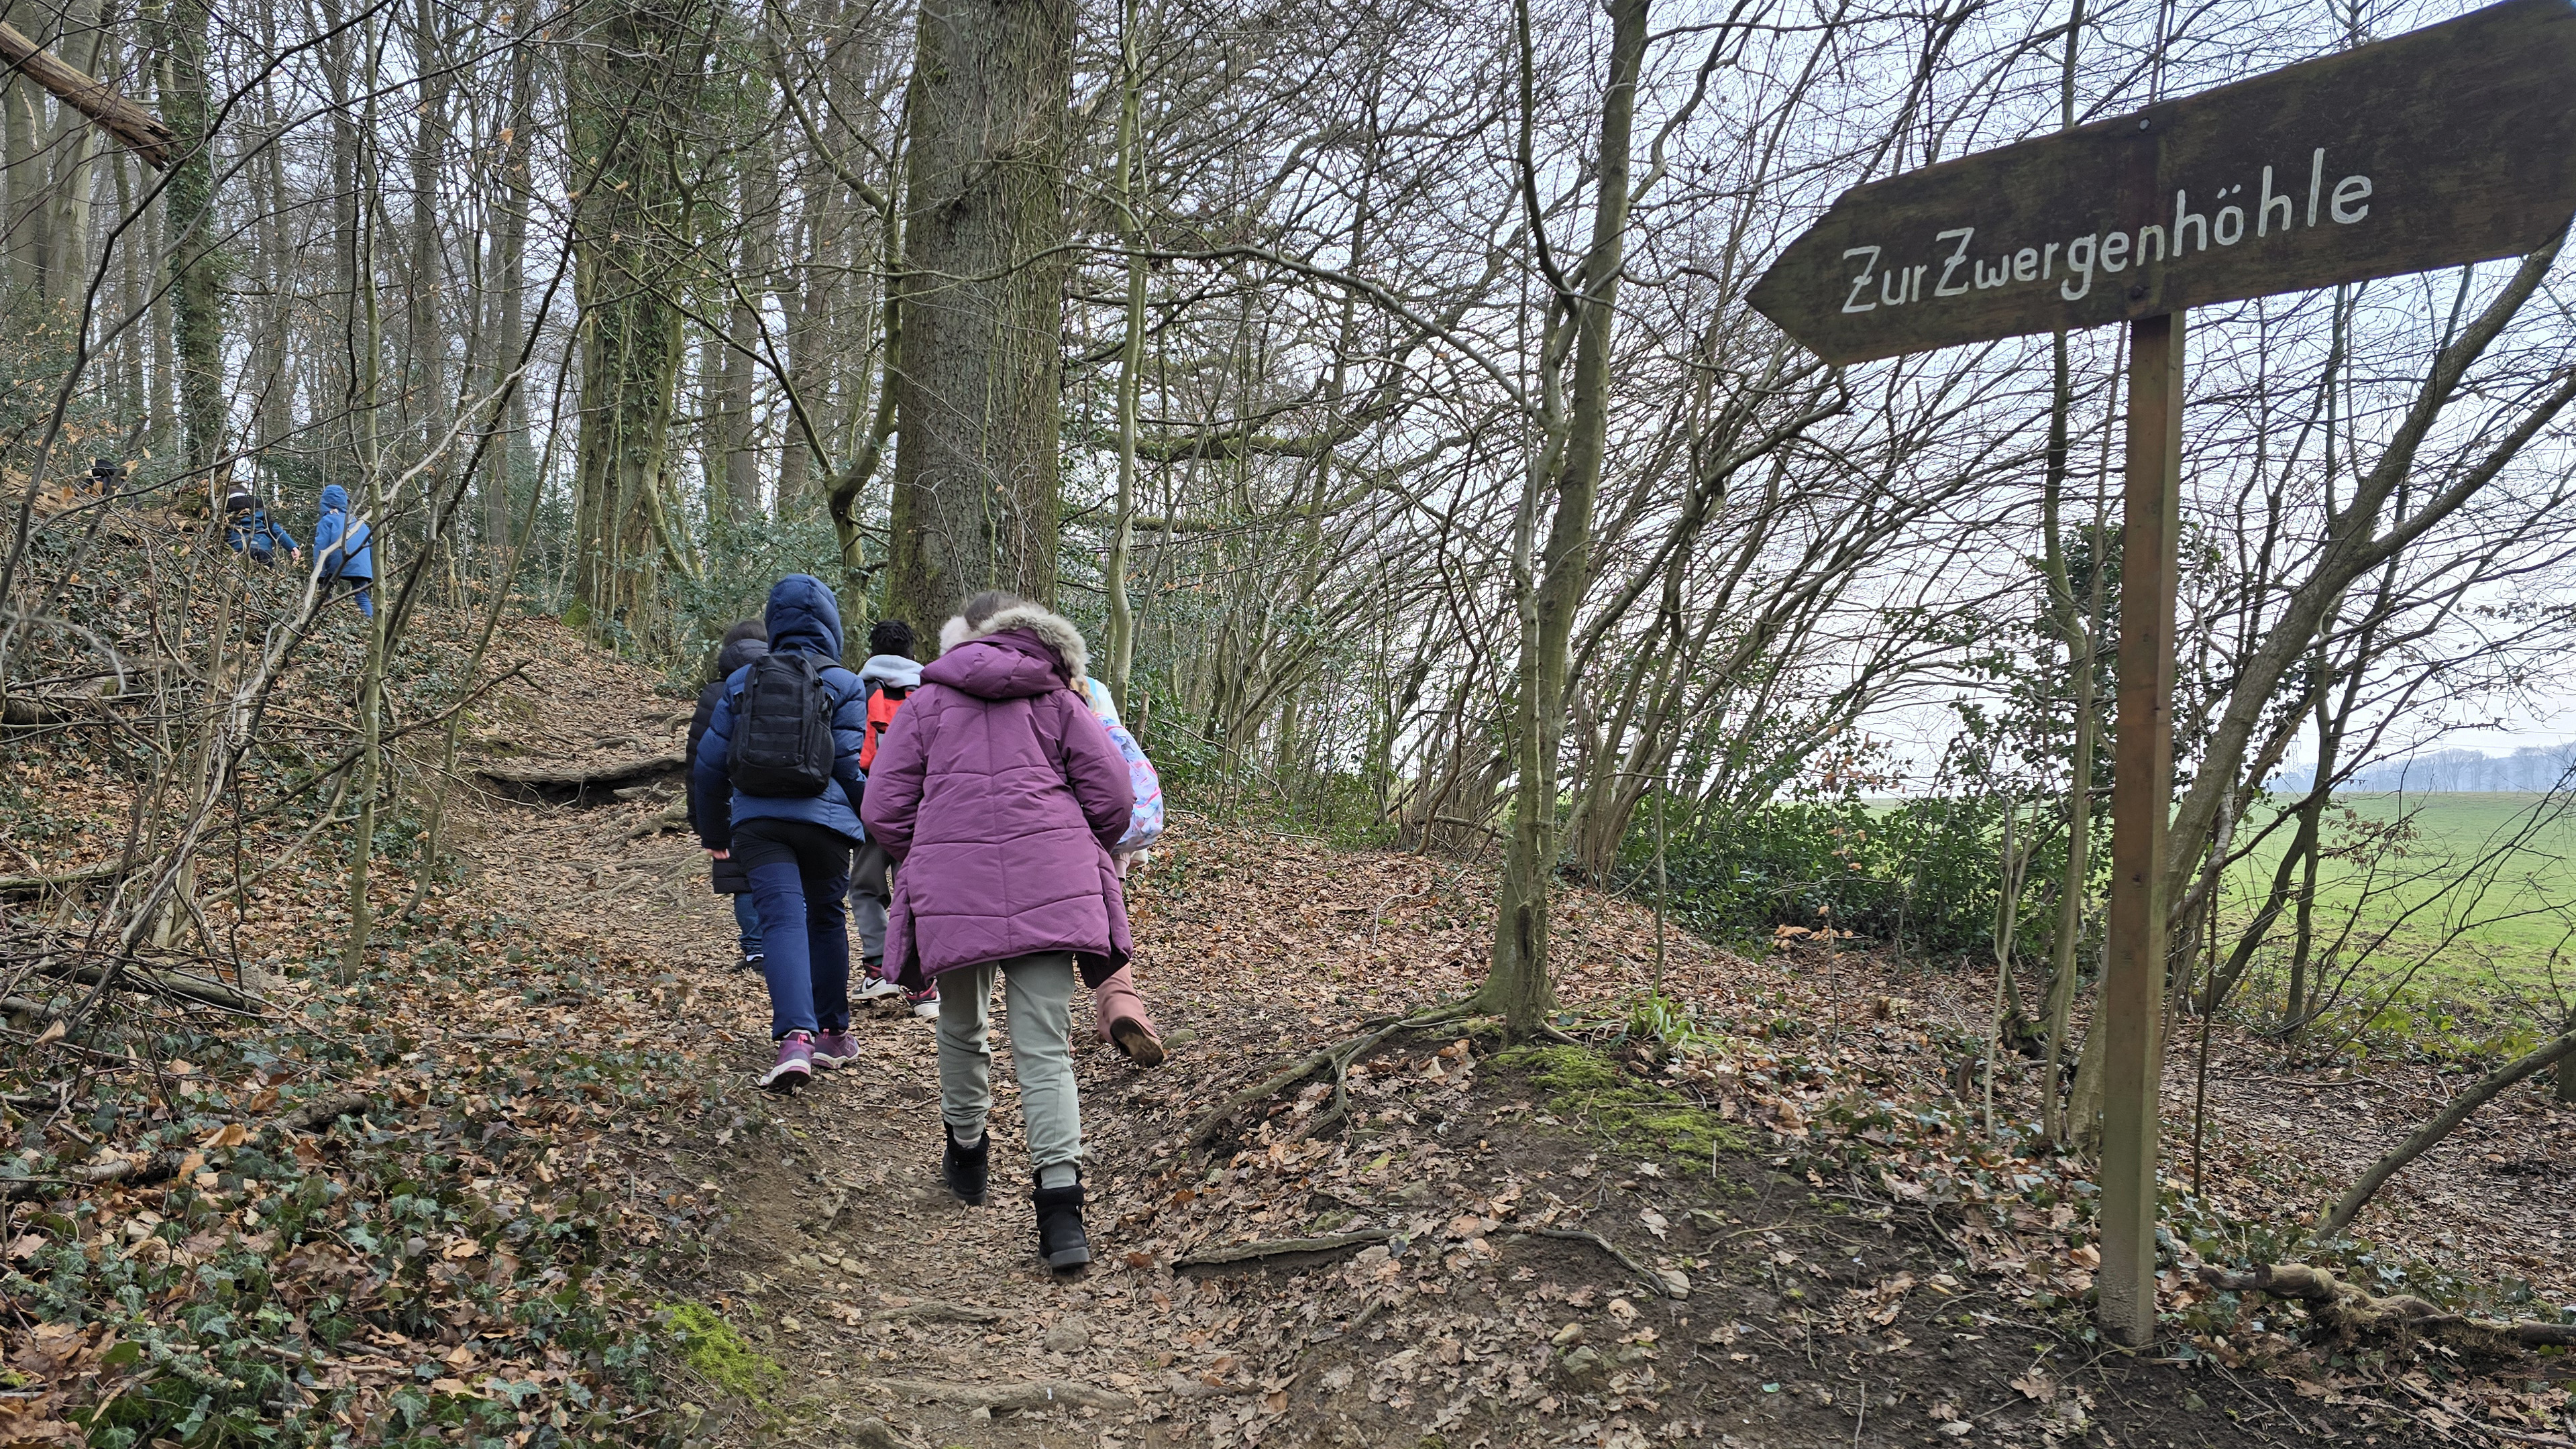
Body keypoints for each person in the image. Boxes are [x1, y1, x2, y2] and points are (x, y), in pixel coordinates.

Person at [863, 591, 1133, 1271]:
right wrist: (1066, 842)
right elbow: (1115, 800)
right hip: (1050, 886)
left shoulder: (927, 702)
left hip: (954, 886)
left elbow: (883, 808)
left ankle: (967, 1156)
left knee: (960, 1025)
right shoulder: (1060, 700)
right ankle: (1061, 1213)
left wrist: (931, 848)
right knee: (1044, 1049)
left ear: (967, 638)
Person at [691, 576, 871, 1092]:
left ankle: (795, 1038)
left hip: (758, 824)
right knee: (825, 919)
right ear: (831, 624)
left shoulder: (744, 679)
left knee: (781, 922)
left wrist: (715, 830)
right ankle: (834, 1034)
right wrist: (872, 819)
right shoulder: (845, 682)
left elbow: (709, 766)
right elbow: (844, 764)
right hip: (827, 826)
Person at [1080, 675, 1169, 1067]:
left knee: (1045, 950)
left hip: (1051, 850)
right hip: (1108, 849)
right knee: (1106, 931)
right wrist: (1135, 853)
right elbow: (1127, 784)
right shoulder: (1097, 699)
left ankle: (1051, 1038)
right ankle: (1121, 1009)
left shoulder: (1032, 712)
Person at [849, 619, 924, 1012]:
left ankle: (877, 970)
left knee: (864, 886)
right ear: (912, 651)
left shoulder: (856, 690)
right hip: (919, 809)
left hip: (870, 805)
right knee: (915, 890)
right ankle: (923, 985)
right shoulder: (930, 691)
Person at [688, 621, 769, 973]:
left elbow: (700, 762)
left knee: (742, 876)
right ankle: (792, 945)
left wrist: (705, 823)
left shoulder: (716, 692)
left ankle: (756, 951)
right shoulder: (790, 680)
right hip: (790, 793)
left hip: (734, 798)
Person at [310, 484, 376, 618]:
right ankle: (370, 623)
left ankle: (322, 618)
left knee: (325, 591)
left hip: (337, 560)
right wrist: (370, 572)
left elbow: (320, 545)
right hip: (362, 565)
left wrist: (320, 572)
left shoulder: (327, 520)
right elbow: (372, 546)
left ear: (325, 502)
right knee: (362, 596)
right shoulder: (359, 522)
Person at [223, 485, 301, 568]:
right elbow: (276, 529)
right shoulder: (260, 509)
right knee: (265, 576)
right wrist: (292, 547)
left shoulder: (224, 512)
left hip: (239, 549)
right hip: (263, 549)